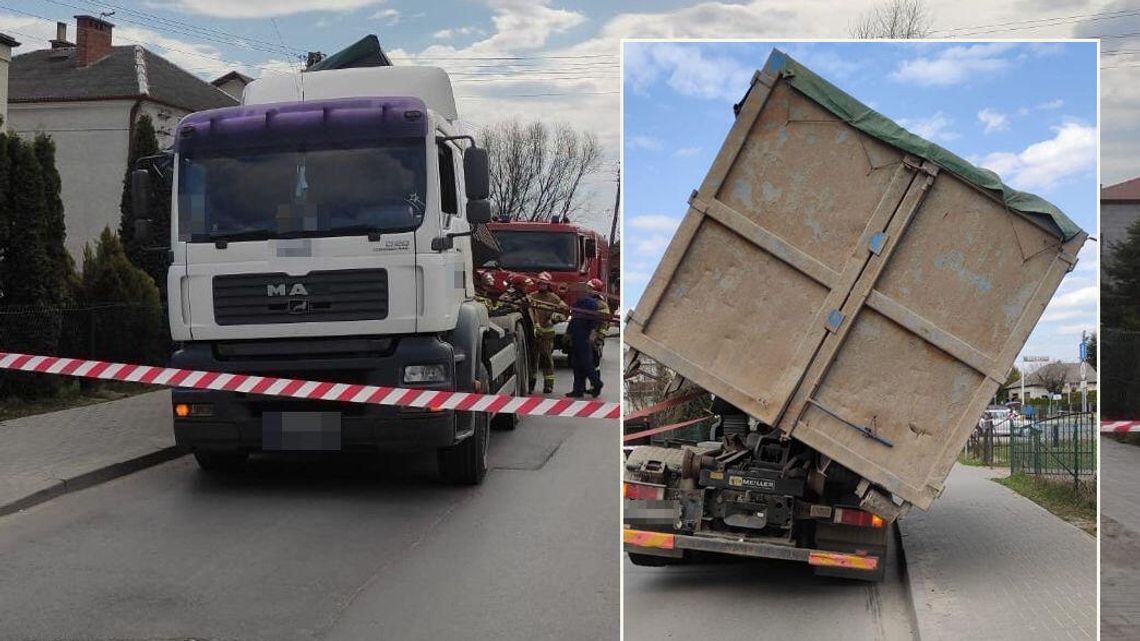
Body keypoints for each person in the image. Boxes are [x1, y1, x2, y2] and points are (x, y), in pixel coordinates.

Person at [499, 273, 539, 393]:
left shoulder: (527, 296)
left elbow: (533, 313)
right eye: (525, 286)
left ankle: (532, 382)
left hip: (530, 331)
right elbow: (504, 306)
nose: (527, 288)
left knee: (533, 358)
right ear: (518, 286)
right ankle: (529, 383)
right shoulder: (507, 296)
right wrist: (521, 302)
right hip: (520, 331)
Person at [530, 272, 568, 394]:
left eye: (545, 283)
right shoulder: (531, 296)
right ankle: (531, 383)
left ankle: (549, 385)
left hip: (547, 334)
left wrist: (556, 317)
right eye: (540, 283)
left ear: (548, 284)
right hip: (533, 334)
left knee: (547, 360)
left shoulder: (554, 298)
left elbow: (565, 311)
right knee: (532, 360)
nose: (542, 285)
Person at [565, 289, 603, 398]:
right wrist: (568, 333)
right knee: (576, 364)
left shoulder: (591, 303)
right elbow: (573, 319)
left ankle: (597, 383)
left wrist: (592, 333)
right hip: (576, 335)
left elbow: (594, 320)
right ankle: (578, 390)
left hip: (585, 336)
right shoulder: (577, 303)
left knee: (586, 363)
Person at [586, 278, 610, 379]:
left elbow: (604, 324)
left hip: (594, 339)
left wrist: (599, 339)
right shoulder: (586, 302)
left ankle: (595, 386)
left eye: (590, 288)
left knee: (594, 363)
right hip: (585, 337)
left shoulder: (602, 305)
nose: (587, 290)